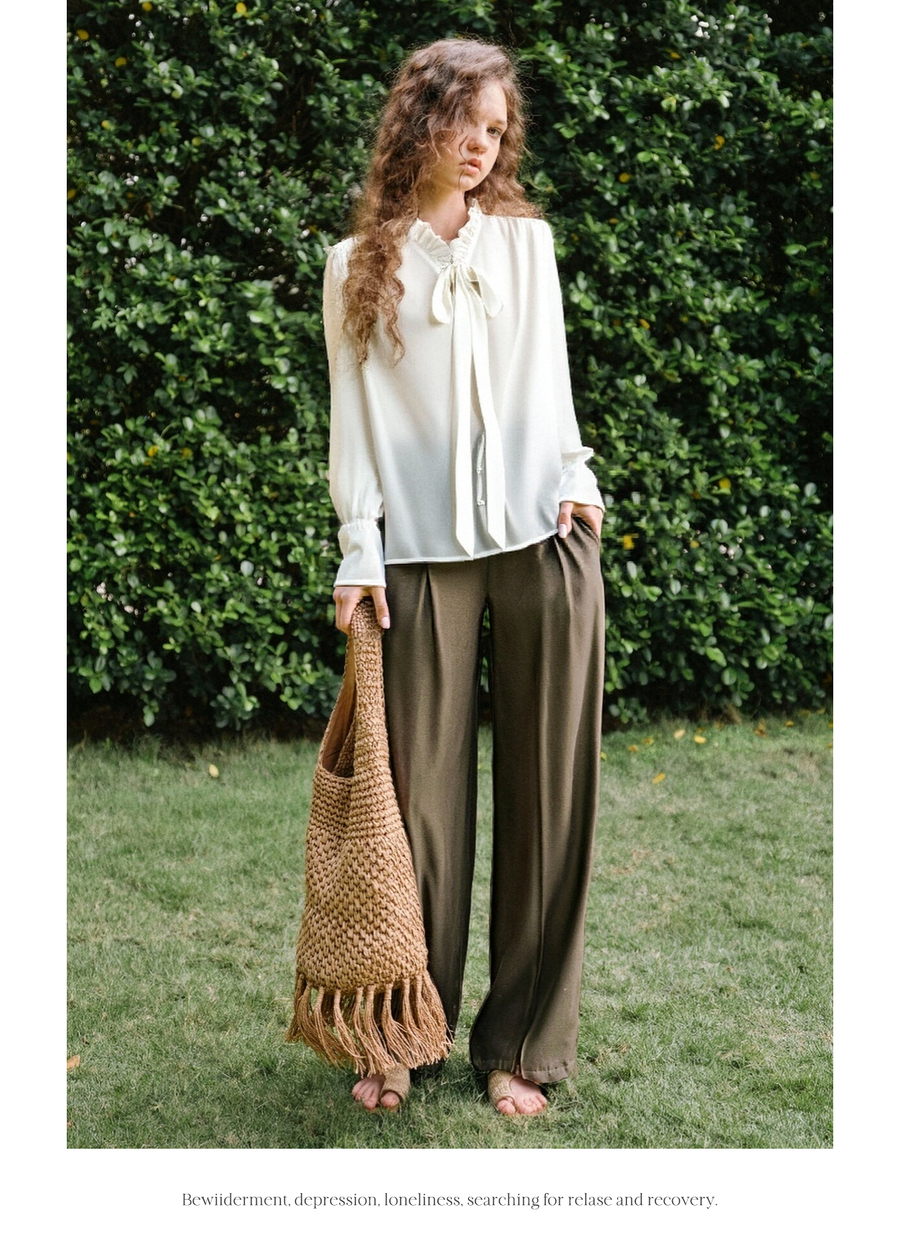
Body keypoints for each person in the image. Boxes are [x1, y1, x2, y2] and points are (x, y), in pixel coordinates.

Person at [323, 38, 606, 1116]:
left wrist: (578, 480)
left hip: (544, 537)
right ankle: (407, 1030)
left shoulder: (527, 247)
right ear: (420, 121)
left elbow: (555, 381)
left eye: (497, 129)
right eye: (465, 123)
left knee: (549, 796)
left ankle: (523, 1041)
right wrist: (359, 546)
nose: (483, 145)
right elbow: (353, 420)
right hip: (417, 555)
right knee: (416, 811)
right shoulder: (356, 266)